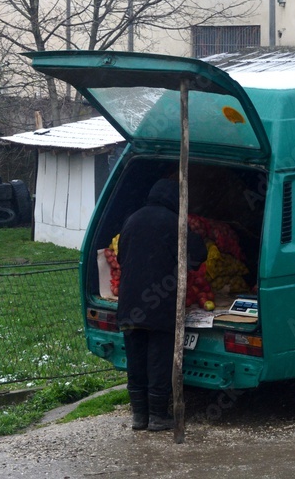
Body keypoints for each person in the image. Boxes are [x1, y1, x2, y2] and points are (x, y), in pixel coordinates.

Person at [117, 178, 204, 431]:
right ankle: (157, 415)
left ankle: (139, 416)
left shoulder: (131, 220)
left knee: (136, 359)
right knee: (158, 359)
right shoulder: (174, 222)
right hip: (159, 304)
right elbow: (197, 255)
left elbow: (122, 256)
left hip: (130, 303)